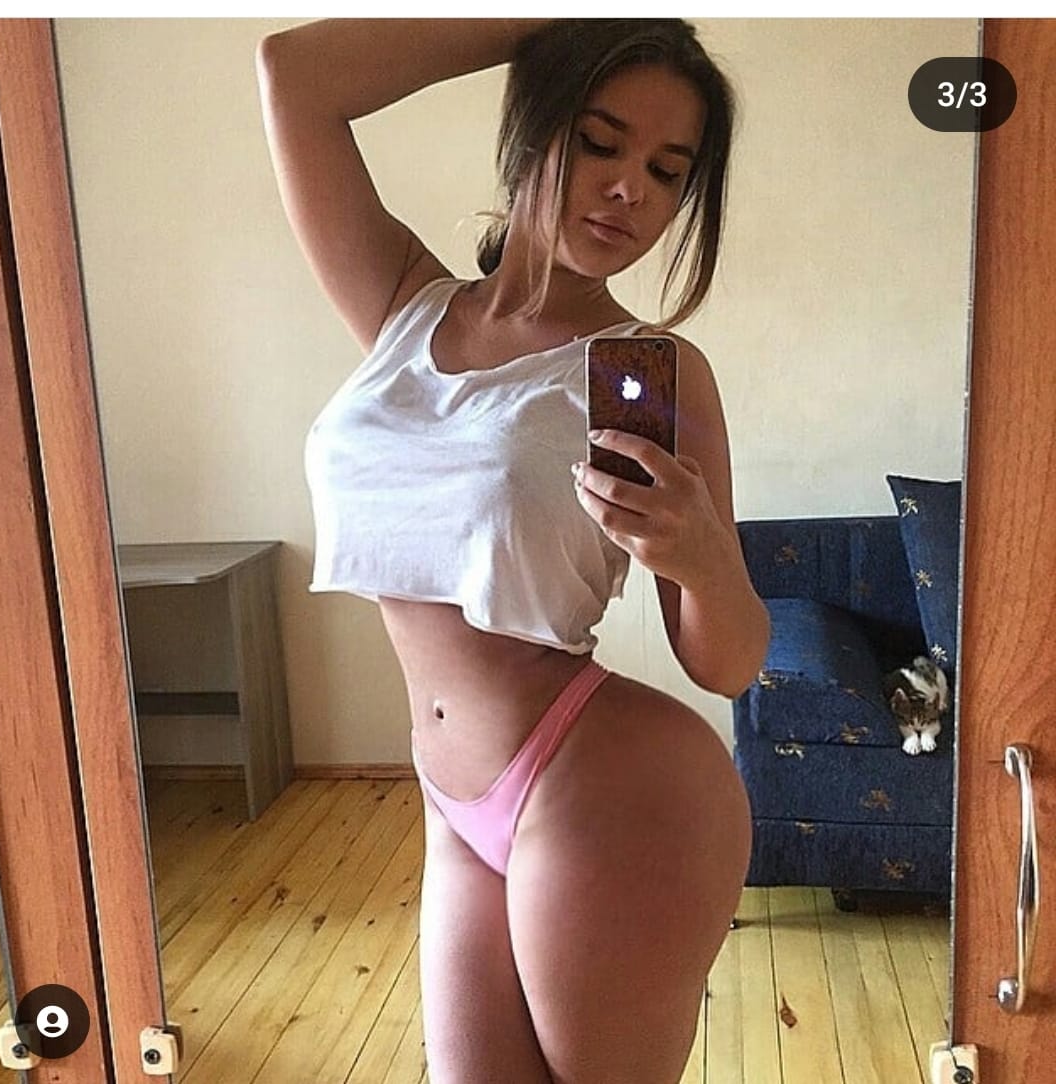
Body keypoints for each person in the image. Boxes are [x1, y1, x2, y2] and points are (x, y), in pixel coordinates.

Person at [256, 18, 769, 1084]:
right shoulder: (405, 306)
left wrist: (703, 561)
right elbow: (293, 75)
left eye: (667, 171)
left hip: (606, 785)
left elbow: (727, 664)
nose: (629, 190)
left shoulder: (647, 367)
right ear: (535, 127)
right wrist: (558, 22)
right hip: (453, 799)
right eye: (600, 141)